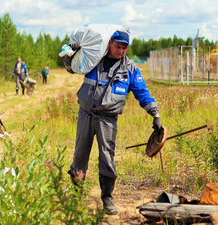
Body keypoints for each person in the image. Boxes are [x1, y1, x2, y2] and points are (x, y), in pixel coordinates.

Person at [64, 30, 162, 215]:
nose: (121, 51)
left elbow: (142, 92)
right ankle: (76, 196)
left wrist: (155, 114)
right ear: (110, 43)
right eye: (118, 46)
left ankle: (107, 198)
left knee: (107, 157)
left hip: (107, 119)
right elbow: (72, 68)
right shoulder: (94, 59)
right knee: (79, 155)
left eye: (125, 48)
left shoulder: (130, 69)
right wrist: (72, 54)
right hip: (86, 114)